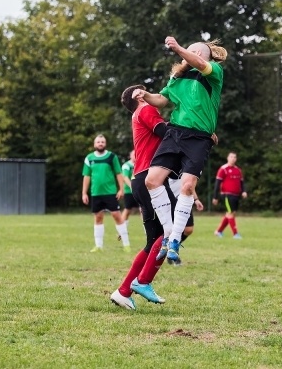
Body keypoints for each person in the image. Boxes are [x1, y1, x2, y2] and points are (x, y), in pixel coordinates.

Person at [133, 36, 227, 263]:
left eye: (192, 51)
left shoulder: (213, 72)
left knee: (187, 186)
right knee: (152, 181)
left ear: (201, 54)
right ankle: (168, 234)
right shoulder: (178, 77)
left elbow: (200, 64)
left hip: (199, 138)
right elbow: (161, 99)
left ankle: (175, 239)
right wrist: (145, 95)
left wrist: (178, 48)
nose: (188, 54)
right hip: (174, 133)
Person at [110, 84, 204, 311]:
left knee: (154, 239)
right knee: (172, 231)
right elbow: (167, 133)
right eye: (145, 91)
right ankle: (143, 281)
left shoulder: (138, 114)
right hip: (149, 181)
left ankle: (123, 292)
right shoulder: (145, 109)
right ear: (138, 96)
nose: (151, 95)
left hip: (143, 180)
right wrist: (199, 134)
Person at [82, 135, 130, 252]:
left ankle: (126, 244)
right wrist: (84, 193)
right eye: (98, 142)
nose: (100, 143)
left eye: (102, 142)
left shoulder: (111, 157)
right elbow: (86, 176)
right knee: (98, 217)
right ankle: (98, 246)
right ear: (94, 144)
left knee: (117, 216)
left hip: (110, 192)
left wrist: (121, 189)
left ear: (105, 144)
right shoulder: (89, 158)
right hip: (96, 193)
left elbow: (119, 173)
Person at [212, 152, 247, 239]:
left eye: (234, 157)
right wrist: (215, 197)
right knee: (230, 213)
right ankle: (235, 234)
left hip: (236, 195)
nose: (233, 159)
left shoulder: (238, 170)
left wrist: (244, 191)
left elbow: (241, 183)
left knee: (231, 213)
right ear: (227, 158)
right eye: (231, 157)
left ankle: (218, 231)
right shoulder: (223, 169)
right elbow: (217, 184)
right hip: (227, 195)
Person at [120, 150, 139, 226]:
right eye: (134, 154)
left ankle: (147, 230)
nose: (135, 156)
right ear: (130, 156)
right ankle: (122, 228)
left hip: (139, 191)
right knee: (127, 209)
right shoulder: (126, 165)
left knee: (143, 210)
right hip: (129, 191)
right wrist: (132, 186)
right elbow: (125, 177)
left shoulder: (140, 164)